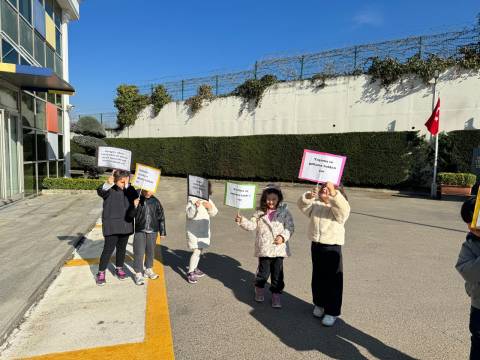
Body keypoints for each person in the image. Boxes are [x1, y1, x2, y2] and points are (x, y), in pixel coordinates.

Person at [297, 181, 350, 326]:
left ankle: (332, 312)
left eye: (329, 188)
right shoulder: (317, 204)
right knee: (318, 276)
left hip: (332, 246)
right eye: (323, 188)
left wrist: (334, 194)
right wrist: (308, 196)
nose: (325, 189)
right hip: (316, 245)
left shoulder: (339, 205)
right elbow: (303, 206)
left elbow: (343, 212)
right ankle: (319, 304)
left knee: (333, 281)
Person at [236, 184, 294, 308]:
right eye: (268, 199)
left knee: (278, 274)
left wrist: (283, 237)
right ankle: (259, 288)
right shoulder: (259, 212)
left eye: (274, 199)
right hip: (264, 248)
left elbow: (290, 227)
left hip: (279, 249)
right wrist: (242, 221)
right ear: (264, 198)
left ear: (279, 198)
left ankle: (276, 294)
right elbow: (251, 226)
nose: (271, 202)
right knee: (263, 272)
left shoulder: (284, 212)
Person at [96, 170, 137, 286]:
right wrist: (107, 184)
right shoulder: (110, 189)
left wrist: (136, 202)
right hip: (112, 226)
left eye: (127, 182)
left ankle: (119, 268)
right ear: (115, 180)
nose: (125, 184)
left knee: (122, 249)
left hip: (126, 225)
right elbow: (100, 192)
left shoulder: (130, 190)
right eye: (122, 182)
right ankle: (101, 272)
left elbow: (136, 198)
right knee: (108, 250)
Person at [455, 197, 480, 359]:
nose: (471, 228)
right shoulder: (470, 244)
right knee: (478, 343)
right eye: (468, 223)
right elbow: (467, 271)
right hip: (479, 306)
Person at [128, 189, 166, 285]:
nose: (149, 192)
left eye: (151, 190)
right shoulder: (137, 199)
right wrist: (134, 206)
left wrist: (163, 232)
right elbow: (130, 215)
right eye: (146, 190)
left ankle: (148, 269)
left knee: (150, 251)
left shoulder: (156, 201)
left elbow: (161, 217)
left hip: (153, 230)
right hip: (140, 230)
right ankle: (138, 273)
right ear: (143, 189)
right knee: (138, 252)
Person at [186, 181, 218, 284]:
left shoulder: (207, 199)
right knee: (196, 251)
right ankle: (190, 272)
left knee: (200, 250)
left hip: (203, 230)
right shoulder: (192, 200)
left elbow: (214, 212)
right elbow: (189, 215)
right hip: (194, 231)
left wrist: (210, 207)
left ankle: (194, 268)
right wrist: (195, 206)